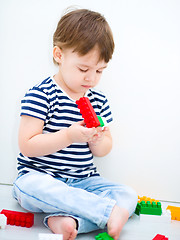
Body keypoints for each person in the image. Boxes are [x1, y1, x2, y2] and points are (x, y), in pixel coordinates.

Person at [13, 8, 137, 240]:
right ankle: (107, 212)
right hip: (41, 176)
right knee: (28, 188)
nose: (91, 78)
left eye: (100, 70)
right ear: (59, 55)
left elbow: (104, 149)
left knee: (128, 195)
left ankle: (67, 221)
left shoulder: (98, 100)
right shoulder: (41, 94)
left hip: (84, 182)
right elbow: (27, 145)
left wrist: (98, 139)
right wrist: (68, 136)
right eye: (83, 69)